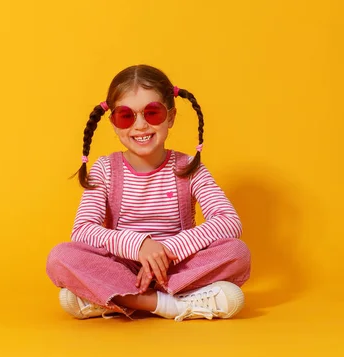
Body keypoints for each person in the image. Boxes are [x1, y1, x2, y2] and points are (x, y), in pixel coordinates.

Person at [46, 65, 251, 321]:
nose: (140, 126)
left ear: (171, 117)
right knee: (60, 257)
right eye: (126, 116)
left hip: (176, 268)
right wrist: (139, 246)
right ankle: (168, 304)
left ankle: (113, 299)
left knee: (237, 252)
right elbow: (83, 230)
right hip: (122, 266)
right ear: (114, 123)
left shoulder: (189, 168)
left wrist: (164, 251)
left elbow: (228, 221)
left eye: (152, 113)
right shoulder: (105, 169)